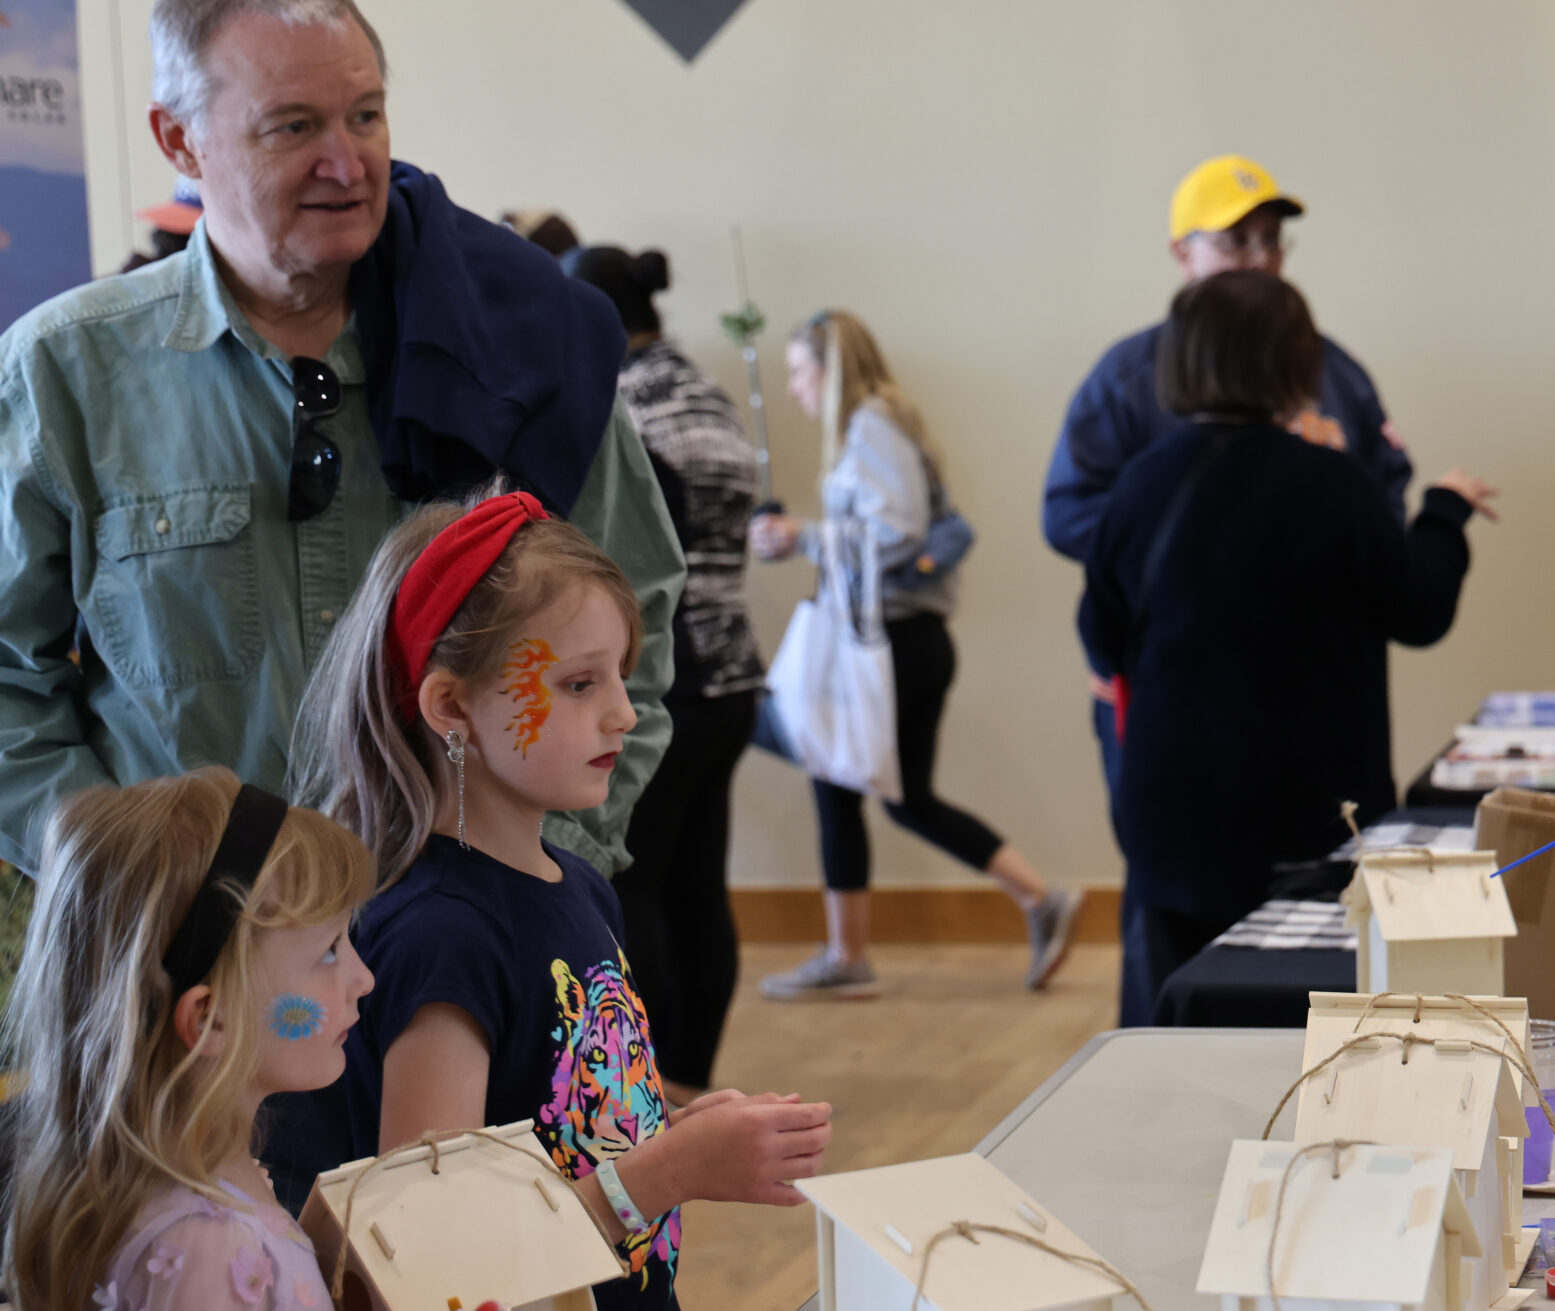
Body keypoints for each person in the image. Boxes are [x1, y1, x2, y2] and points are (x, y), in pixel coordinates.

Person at [268, 490, 833, 1311]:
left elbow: (557, 1124)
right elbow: (435, 1271)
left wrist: (676, 1122)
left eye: (619, 675)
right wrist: (664, 1173)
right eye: (578, 685)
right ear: (451, 706)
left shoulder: (574, 885)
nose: (624, 713)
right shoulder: (439, 935)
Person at [0, 0, 685, 890]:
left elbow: (643, 638)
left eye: (365, 115)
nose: (348, 161)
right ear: (179, 141)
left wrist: (534, 885)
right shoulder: (63, 373)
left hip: (457, 960)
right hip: (189, 974)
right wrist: (134, 888)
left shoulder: (529, 354)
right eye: (294, 126)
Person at [0, 769, 548, 1311]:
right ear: (209, 1018)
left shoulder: (213, 1188)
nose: (362, 978)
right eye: (328, 953)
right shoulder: (203, 1243)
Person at [1082, 271, 1494, 1028]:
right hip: (1305, 815)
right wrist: (1443, 512)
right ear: (1298, 366)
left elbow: (1101, 636)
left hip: (1172, 810)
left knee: (1185, 1012)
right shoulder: (1332, 483)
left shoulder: (1142, 484)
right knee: (1313, 1018)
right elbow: (1419, 609)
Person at [1044, 154, 1414, 796]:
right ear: (1182, 254)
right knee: (1174, 876)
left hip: (1316, 696)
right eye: (1235, 240)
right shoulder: (1129, 378)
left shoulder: (1333, 372)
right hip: (1172, 689)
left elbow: (1387, 514)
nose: (1259, 259)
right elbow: (1071, 513)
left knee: (1328, 875)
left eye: (1271, 240)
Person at [750, 311, 1083, 1000]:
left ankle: (850, 955)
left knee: (824, 765)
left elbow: (897, 531)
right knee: (896, 796)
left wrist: (802, 536)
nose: (792, 390)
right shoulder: (879, 422)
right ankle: (1036, 899)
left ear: (830, 370)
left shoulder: (871, 422)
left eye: (799, 372)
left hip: (892, 645)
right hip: (909, 643)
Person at [567, 244, 763, 1104]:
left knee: (636, 884)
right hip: (734, 675)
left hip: (666, 679)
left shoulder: (623, 407)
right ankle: (692, 1079)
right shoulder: (706, 395)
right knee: (698, 887)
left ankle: (657, 1090)